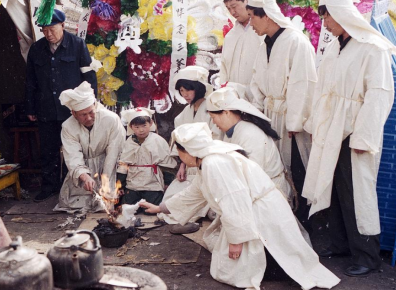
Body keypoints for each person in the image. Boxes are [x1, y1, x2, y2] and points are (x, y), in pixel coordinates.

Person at [140, 123, 340, 290]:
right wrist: (160, 208)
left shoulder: (214, 163)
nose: (179, 157)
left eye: (179, 152)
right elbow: (194, 194)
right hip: (252, 210)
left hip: (258, 212)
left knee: (244, 268)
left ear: (188, 151)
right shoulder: (208, 160)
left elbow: (234, 201)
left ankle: (276, 271)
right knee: (237, 263)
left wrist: (237, 240)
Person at [302, 0, 396, 277]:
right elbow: (324, 90)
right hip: (331, 129)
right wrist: (315, 123)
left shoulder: (372, 48)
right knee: (332, 188)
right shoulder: (336, 47)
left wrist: (363, 137)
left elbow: (379, 94)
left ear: (343, 15)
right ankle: (340, 243)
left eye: (328, 17)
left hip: (354, 133)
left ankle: (367, 256)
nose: (325, 24)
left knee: (357, 193)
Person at [206, 85, 311, 245]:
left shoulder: (249, 134)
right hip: (254, 189)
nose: (214, 123)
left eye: (214, 118)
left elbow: (252, 176)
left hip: (265, 192)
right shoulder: (235, 132)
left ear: (226, 112)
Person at [247, 0, 317, 231]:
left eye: (253, 17)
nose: (251, 24)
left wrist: (295, 120)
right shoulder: (263, 45)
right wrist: (259, 109)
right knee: (277, 166)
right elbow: (256, 79)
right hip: (271, 113)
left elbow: (303, 83)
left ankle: (307, 222)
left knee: (297, 167)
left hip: (290, 117)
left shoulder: (296, 41)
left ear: (266, 15)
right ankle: (286, 220)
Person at [25, 9, 98, 202]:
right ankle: (49, 186)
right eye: (44, 30)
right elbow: (30, 81)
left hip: (72, 110)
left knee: (72, 148)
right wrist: (31, 108)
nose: (48, 34)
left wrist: (91, 105)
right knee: (48, 149)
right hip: (46, 108)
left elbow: (89, 76)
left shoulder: (77, 45)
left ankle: (71, 186)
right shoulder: (36, 49)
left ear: (63, 25)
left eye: (51, 29)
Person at [159, 66, 222, 233]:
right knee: (170, 204)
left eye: (188, 89)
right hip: (190, 166)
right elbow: (182, 146)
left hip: (207, 164)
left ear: (199, 88)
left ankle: (205, 214)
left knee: (202, 200)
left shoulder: (212, 109)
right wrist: (182, 165)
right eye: (181, 91)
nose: (185, 94)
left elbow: (215, 140)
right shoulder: (183, 115)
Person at [53, 81, 125, 213]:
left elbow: (113, 151)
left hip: (108, 164)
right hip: (83, 167)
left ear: (95, 106)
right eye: (83, 115)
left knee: (107, 202)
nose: (89, 117)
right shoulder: (68, 126)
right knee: (74, 203)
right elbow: (73, 155)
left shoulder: (112, 120)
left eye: (91, 112)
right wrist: (84, 176)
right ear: (74, 114)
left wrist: (105, 180)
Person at [117, 108, 177, 213]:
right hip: (133, 184)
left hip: (152, 183)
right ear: (131, 127)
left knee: (151, 211)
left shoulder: (158, 140)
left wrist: (167, 182)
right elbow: (123, 165)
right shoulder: (128, 142)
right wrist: (120, 184)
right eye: (137, 127)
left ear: (150, 123)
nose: (141, 130)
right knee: (128, 211)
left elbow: (167, 163)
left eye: (144, 126)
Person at [220, 0, 261, 101]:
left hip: (259, 97)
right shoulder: (230, 36)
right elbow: (223, 70)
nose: (232, 12)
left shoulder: (262, 32)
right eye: (228, 8)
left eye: (234, 6)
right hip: (235, 98)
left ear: (247, 2)